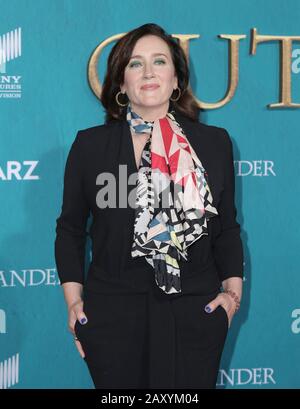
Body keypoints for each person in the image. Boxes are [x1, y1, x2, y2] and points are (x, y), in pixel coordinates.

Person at [54, 22, 244, 389]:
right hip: (114, 316)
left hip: (195, 313)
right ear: (121, 83)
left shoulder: (214, 143)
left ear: (176, 80)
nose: (149, 72)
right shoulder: (90, 147)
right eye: (135, 64)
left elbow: (226, 229)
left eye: (159, 61)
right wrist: (74, 304)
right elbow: (70, 230)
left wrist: (231, 300)